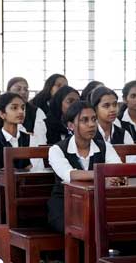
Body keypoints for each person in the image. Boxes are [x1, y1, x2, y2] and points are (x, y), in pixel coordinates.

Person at [46, 99, 108, 231]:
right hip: (66, 205)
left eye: (93, 119)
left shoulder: (104, 146)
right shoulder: (57, 149)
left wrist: (114, 175)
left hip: (97, 202)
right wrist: (103, 174)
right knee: (84, 227)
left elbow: (118, 170)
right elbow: (70, 175)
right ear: (71, 126)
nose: (91, 124)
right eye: (84, 120)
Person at [0, 89, 41, 191]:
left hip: (27, 191)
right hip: (0, 194)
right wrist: (22, 172)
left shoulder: (30, 139)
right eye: (14, 108)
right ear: (2, 114)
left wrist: (11, 173)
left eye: (23, 108)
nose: (21, 111)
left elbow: (37, 171)